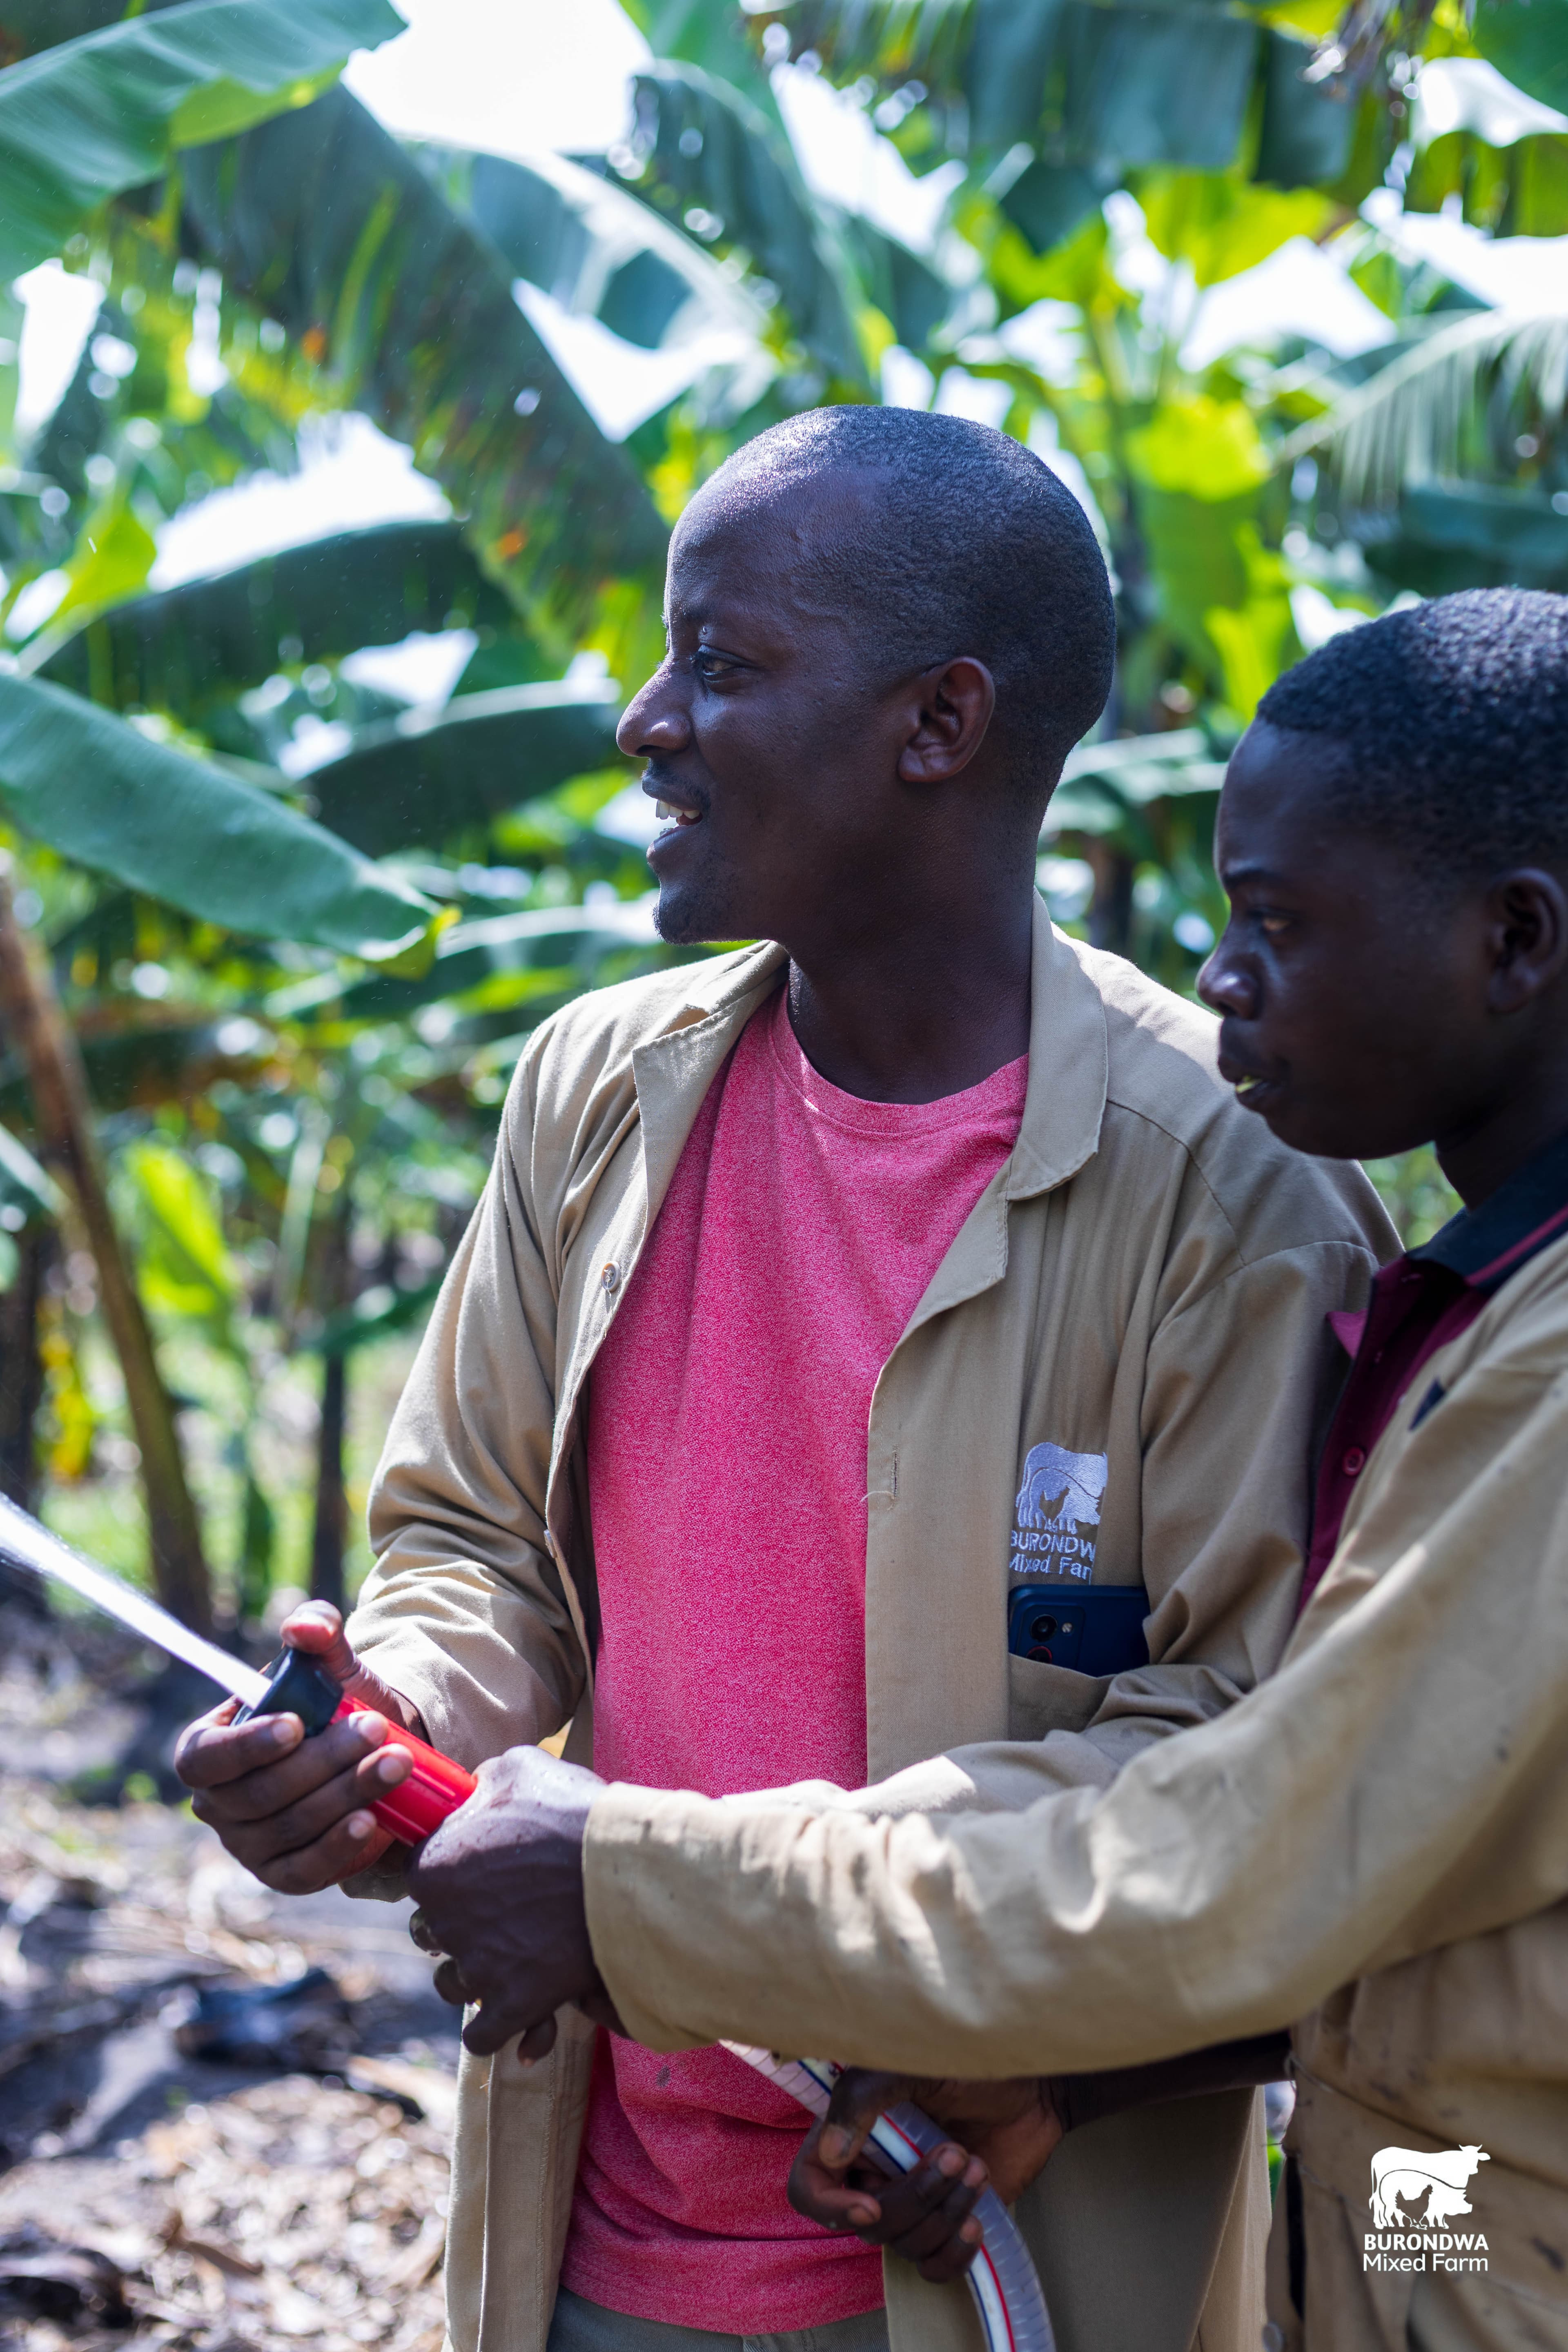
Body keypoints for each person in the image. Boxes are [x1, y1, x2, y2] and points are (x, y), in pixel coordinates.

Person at [174, 406, 1392, 2352]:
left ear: (940, 724)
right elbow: (480, 1538)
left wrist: (645, 1889)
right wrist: (394, 1706)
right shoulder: (598, 1091)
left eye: (723, 666)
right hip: (597, 2232)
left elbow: (1236, 1779)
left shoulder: (1235, 1203)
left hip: (996, 2258)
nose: (647, 721)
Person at [406, 588, 1568, 2352]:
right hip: (1420, 2205)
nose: (1224, 974)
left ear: (1516, 942)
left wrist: (633, 1886)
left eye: (1274, 923)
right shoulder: (1486, 1303)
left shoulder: (1284, 1222)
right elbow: (1388, 1919)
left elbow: (1262, 1854)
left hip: (1454, 2230)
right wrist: (1073, 2087)